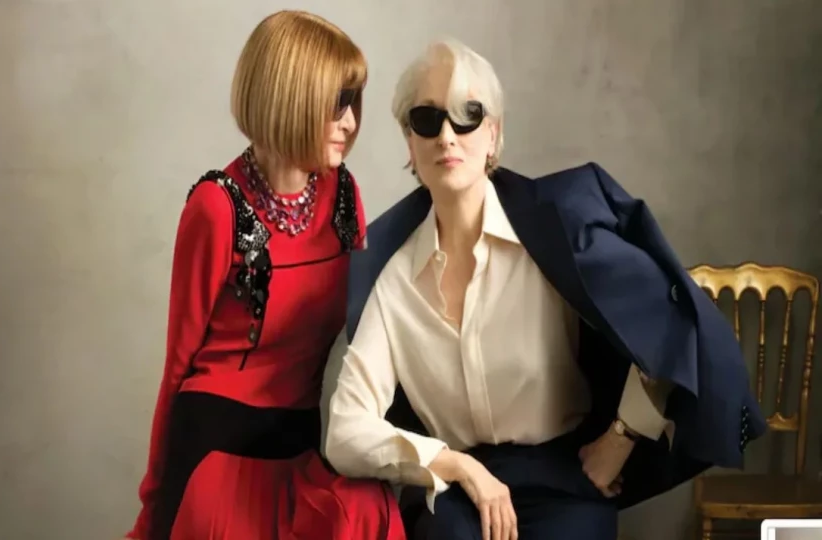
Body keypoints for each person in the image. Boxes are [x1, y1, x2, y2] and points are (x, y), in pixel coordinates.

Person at [322, 38, 766, 540]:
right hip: (460, 490)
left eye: (467, 115)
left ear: (493, 134)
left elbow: (668, 322)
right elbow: (345, 430)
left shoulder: (555, 234)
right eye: (427, 119)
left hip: (564, 479)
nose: (447, 136)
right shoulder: (393, 279)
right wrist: (455, 466)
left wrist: (622, 435)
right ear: (410, 142)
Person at [124, 10, 405, 540]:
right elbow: (177, 368)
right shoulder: (216, 207)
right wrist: (152, 513)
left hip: (304, 447)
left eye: (355, 102)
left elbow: (368, 335)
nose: (351, 122)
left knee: (370, 513)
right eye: (338, 103)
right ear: (292, 98)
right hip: (219, 452)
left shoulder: (344, 196)